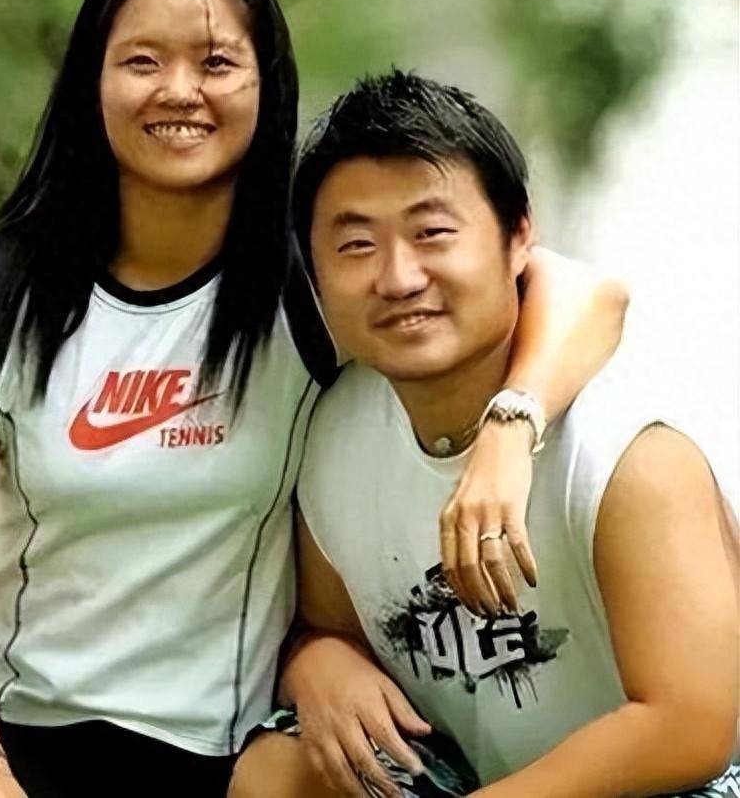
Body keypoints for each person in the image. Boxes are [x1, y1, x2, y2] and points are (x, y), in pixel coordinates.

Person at [0, 0, 628, 798]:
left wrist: (510, 428)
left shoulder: (314, 287)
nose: (179, 90)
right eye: (142, 61)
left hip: (225, 753)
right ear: (92, 82)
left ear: (266, 85)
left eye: (216, 63)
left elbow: (587, 293)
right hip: (16, 738)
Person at [229, 70, 739, 798]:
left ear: (518, 236)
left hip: (686, 783)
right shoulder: (339, 428)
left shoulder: (627, 448)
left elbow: (690, 726)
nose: (399, 277)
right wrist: (319, 661)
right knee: (282, 767)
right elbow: (326, 619)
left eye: (432, 233)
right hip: (481, 772)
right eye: (356, 245)